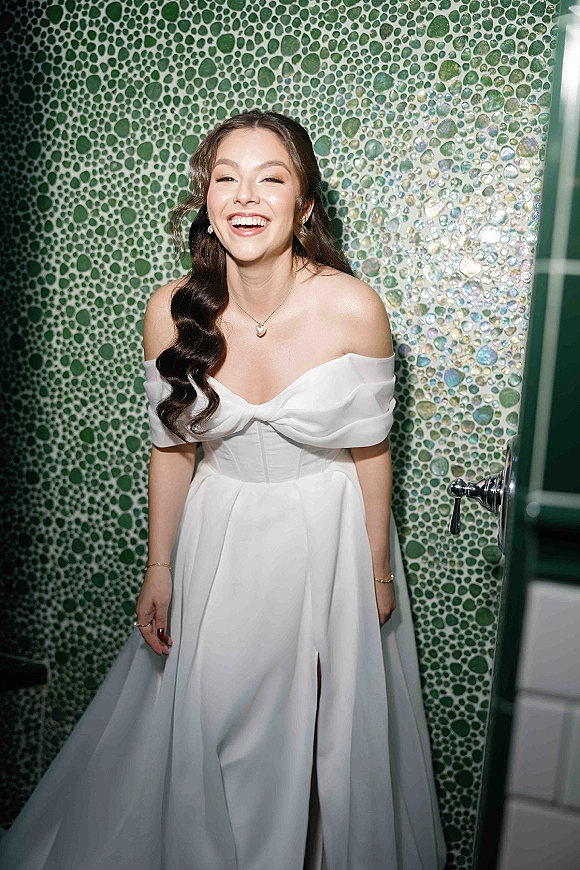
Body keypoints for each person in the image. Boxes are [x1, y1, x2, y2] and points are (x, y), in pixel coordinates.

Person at [0, 110, 446, 870]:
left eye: (271, 178)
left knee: (323, 741)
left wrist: (374, 569)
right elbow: (172, 450)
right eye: (226, 178)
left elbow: (371, 450)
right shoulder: (170, 310)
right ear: (207, 200)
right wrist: (159, 565)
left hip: (328, 530)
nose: (247, 196)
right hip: (222, 531)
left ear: (304, 205)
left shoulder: (353, 307)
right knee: (215, 724)